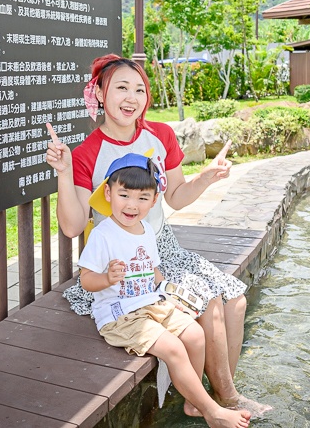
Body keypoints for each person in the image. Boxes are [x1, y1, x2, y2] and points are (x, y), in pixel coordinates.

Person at [45, 54, 269, 416]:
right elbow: (73, 227)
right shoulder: (88, 152)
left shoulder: (161, 135)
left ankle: (206, 397)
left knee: (237, 301)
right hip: (123, 259)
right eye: (121, 88)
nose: (131, 97)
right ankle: (224, 401)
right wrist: (64, 172)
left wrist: (207, 176)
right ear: (100, 93)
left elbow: (177, 198)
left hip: (164, 247)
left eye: (139, 89)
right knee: (211, 305)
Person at [78, 153, 251, 428]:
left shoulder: (145, 229)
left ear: (154, 200)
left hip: (152, 304)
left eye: (143, 198)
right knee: (173, 348)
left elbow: (155, 272)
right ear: (108, 193)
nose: (132, 205)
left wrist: (171, 295)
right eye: (124, 195)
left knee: (195, 334)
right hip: (120, 314)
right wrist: (106, 278)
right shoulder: (103, 234)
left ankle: (193, 402)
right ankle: (212, 410)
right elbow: (86, 280)